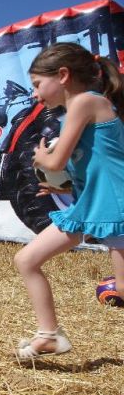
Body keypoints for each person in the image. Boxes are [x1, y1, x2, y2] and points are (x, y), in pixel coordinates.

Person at [14, 43, 124, 359]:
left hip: (116, 207)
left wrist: (42, 158)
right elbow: (94, 168)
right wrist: (60, 189)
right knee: (26, 260)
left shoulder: (85, 102)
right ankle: (49, 335)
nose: (35, 94)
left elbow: (56, 162)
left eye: (37, 84)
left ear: (62, 75)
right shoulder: (77, 111)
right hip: (91, 207)